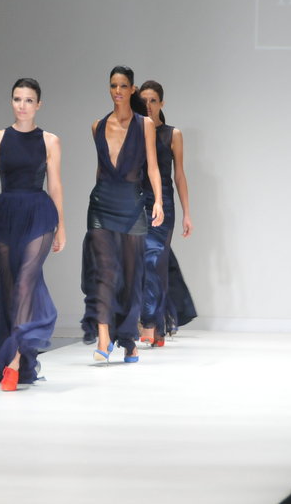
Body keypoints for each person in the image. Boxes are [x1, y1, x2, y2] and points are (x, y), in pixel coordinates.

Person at [0, 78, 65, 391]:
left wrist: (61, 225)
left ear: (38, 105)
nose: (22, 105)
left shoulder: (50, 140)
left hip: (39, 213)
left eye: (29, 100)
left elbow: (55, 185)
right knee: (10, 287)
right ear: (11, 101)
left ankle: (15, 363)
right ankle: (14, 356)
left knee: (25, 283)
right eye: (18, 99)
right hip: (7, 213)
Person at [81, 66, 163, 364]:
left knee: (131, 276)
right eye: (113, 85)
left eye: (123, 85)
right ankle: (103, 337)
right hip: (101, 204)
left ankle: (127, 339)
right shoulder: (98, 126)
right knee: (103, 271)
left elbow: (152, 166)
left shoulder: (145, 125)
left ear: (132, 89)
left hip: (131, 205)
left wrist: (158, 201)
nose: (117, 91)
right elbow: (101, 168)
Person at [137, 80, 195, 347]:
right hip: (137, 203)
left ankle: (150, 324)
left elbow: (179, 175)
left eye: (153, 100)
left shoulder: (173, 134)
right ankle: (158, 326)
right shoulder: (136, 132)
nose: (148, 106)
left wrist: (187, 213)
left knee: (154, 260)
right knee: (147, 264)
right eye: (144, 101)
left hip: (164, 205)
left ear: (162, 103)